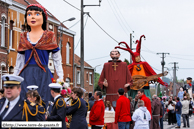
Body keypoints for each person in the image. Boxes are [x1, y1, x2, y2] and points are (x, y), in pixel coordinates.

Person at [13, 4, 64, 105]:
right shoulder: (23, 36)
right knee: (24, 101)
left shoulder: (49, 35)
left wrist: (61, 77)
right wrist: (14, 78)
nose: (32, 17)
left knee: (43, 100)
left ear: (43, 18)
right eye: (29, 14)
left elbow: (57, 59)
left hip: (43, 74)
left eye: (37, 14)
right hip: (26, 74)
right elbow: (19, 60)